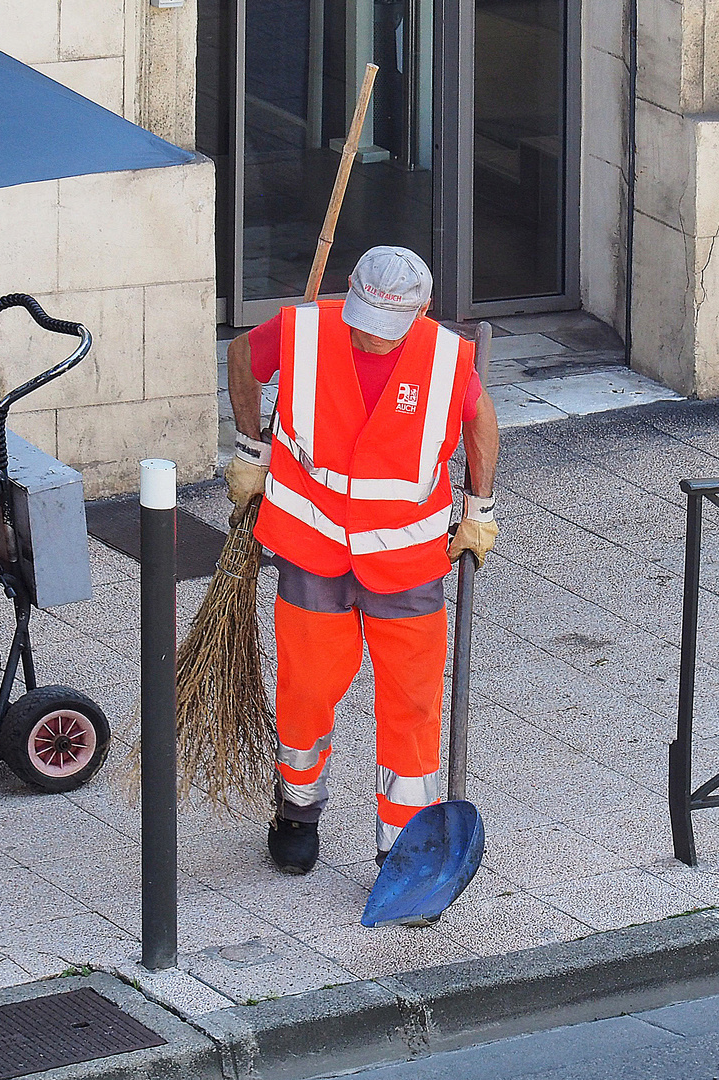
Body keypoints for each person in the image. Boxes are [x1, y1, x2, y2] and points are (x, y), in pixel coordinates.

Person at [223, 246, 500, 874]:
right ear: (350, 290)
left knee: (412, 705)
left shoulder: (447, 356)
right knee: (306, 694)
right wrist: (249, 444)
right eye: (363, 320)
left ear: (423, 310)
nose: (371, 339)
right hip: (313, 553)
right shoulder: (303, 329)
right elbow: (241, 356)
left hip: (406, 564)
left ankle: (401, 846)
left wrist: (481, 508)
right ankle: (297, 808)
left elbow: (483, 425)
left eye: (387, 328)